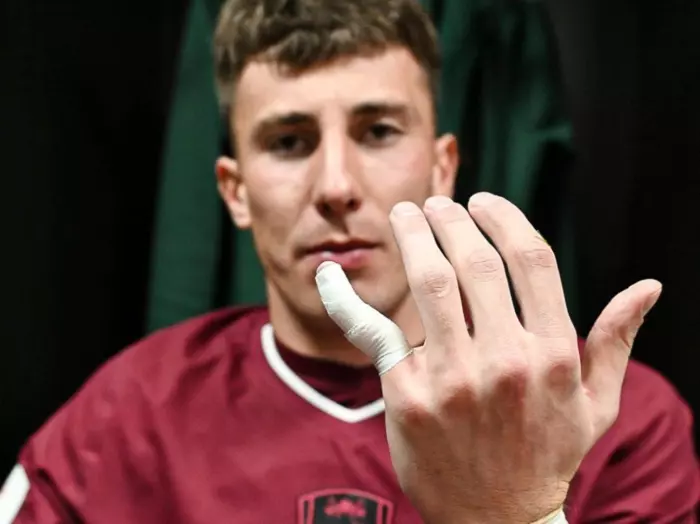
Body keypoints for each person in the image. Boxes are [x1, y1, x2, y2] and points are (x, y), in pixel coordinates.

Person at [1, 0, 698, 522]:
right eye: (288, 141)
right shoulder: (125, 417)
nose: (336, 186)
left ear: (442, 166)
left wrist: (517, 509)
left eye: (378, 131)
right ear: (234, 192)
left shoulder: (608, 415)